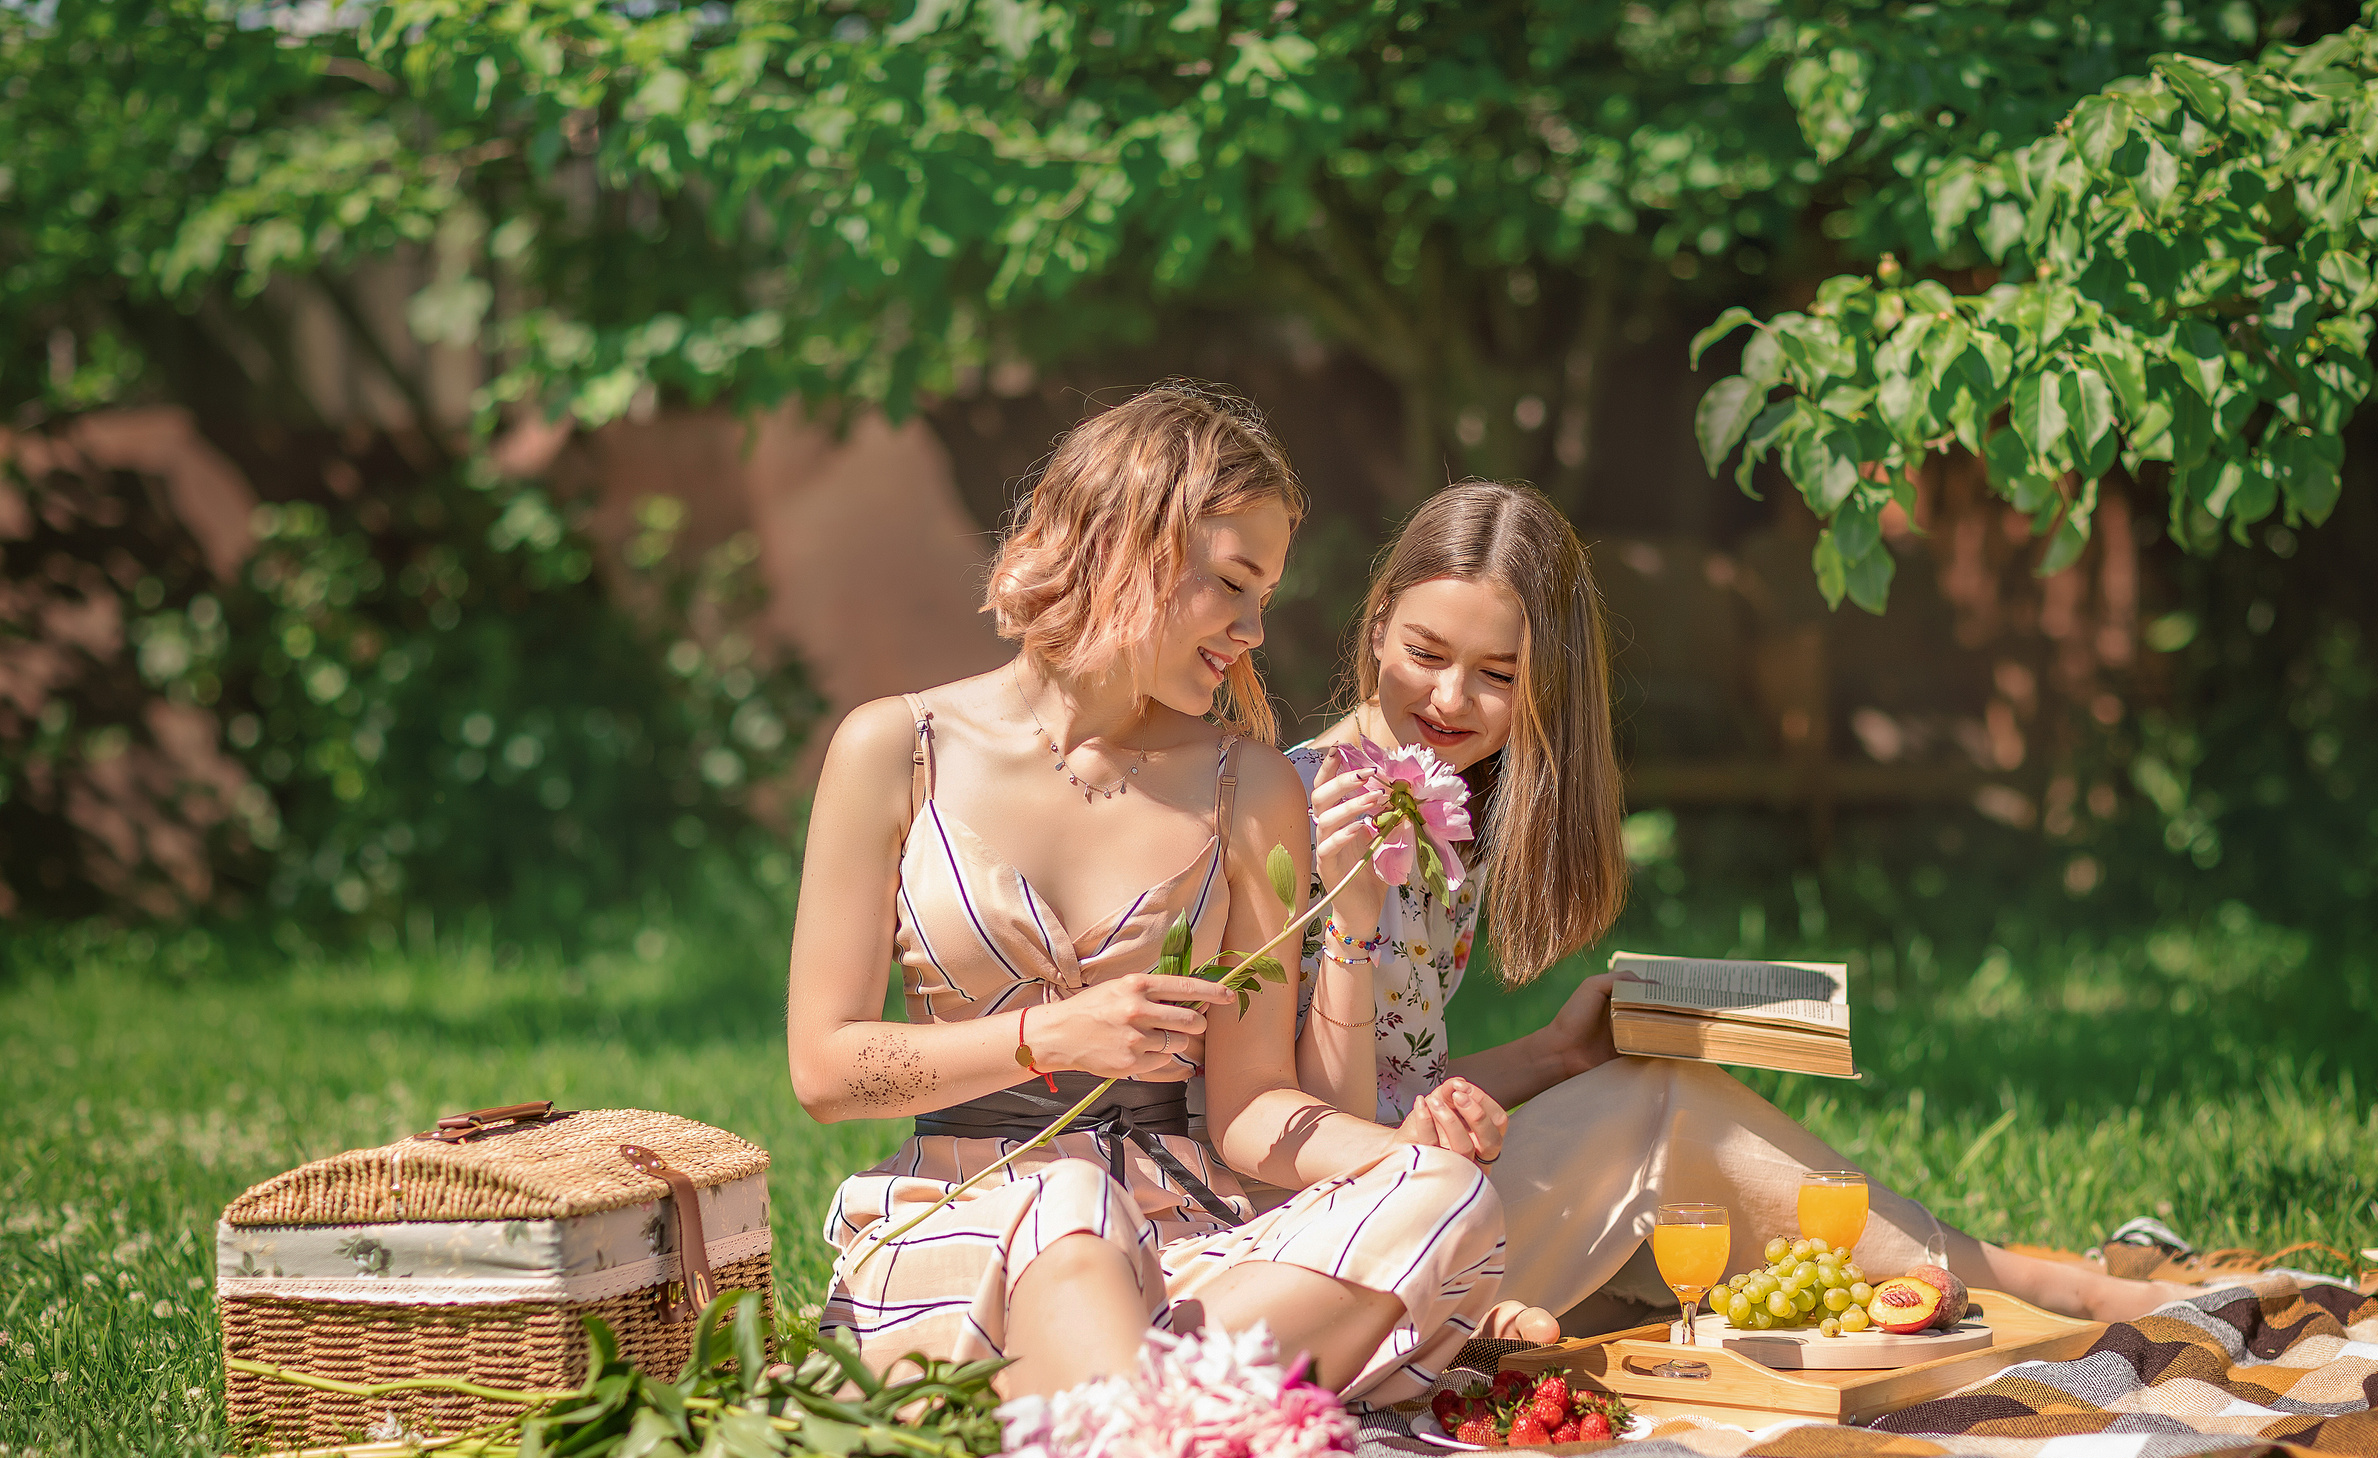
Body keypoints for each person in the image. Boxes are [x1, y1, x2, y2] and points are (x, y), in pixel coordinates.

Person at [1289, 479, 2197, 1331]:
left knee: (1658, 1090)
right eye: (1425, 653)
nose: (1452, 697)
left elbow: (1399, 1083)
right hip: (1323, 1252)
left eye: (1500, 673)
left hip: (1418, 1187)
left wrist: (1553, 1053)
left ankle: (1990, 1280)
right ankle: (2029, 1286)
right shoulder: (1293, 814)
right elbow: (1275, 1125)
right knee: (1667, 1118)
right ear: (1376, 628)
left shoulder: (1443, 810)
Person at [786, 384, 1511, 1405]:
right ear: (1127, 546)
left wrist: (1403, 1152)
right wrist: (1050, 1038)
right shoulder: (897, 750)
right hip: (966, 1221)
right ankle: (1166, 1426)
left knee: (1444, 1197)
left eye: (1266, 597)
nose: (1254, 630)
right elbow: (823, 1071)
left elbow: (1254, 1108)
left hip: (1191, 1259)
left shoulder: (1247, 783)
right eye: (1231, 584)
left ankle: (1109, 1421)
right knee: (1070, 1198)